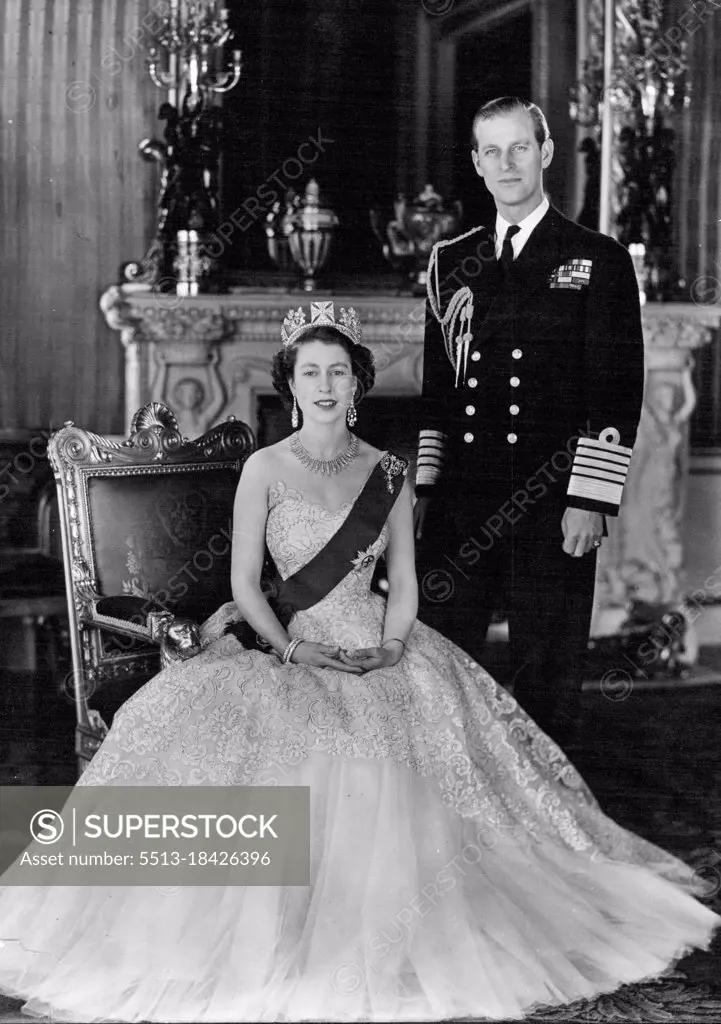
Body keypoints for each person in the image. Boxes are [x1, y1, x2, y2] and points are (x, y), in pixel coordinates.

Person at [0, 301, 717, 1024]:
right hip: (285, 641)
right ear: (289, 381)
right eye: (309, 371)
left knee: (417, 761)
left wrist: (396, 648)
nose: (323, 385)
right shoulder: (262, 468)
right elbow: (246, 585)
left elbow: (402, 585)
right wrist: (291, 648)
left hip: (377, 641)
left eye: (337, 371)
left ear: (356, 384)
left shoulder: (388, 473)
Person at [414, 96, 646, 748]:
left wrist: (590, 498)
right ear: (475, 163)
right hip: (463, 497)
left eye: (519, 147)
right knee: (443, 662)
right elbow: (438, 389)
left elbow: (615, 388)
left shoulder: (595, 258)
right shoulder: (448, 260)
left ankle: (550, 810)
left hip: (551, 499)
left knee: (546, 673)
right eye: (491, 150)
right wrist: (427, 492)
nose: (506, 162)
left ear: (544, 153)